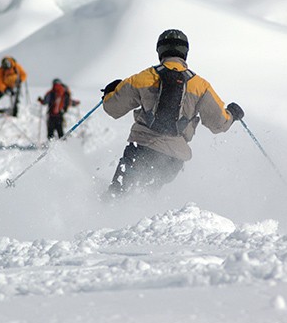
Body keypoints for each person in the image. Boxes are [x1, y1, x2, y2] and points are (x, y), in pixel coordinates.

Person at [101, 29, 244, 197]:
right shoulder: (200, 86)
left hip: (141, 148)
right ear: (185, 52)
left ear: (160, 50)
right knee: (145, 197)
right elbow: (219, 124)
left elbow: (112, 107)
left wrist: (111, 92)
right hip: (173, 159)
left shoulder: (145, 77)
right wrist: (233, 113)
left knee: (118, 196)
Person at [0, 56, 27, 135]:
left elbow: (23, 74)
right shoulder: (0, 70)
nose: (6, 69)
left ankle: (15, 113)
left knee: (15, 100)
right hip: (5, 87)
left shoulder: (16, 66)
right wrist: (5, 89)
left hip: (15, 86)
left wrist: (20, 80)